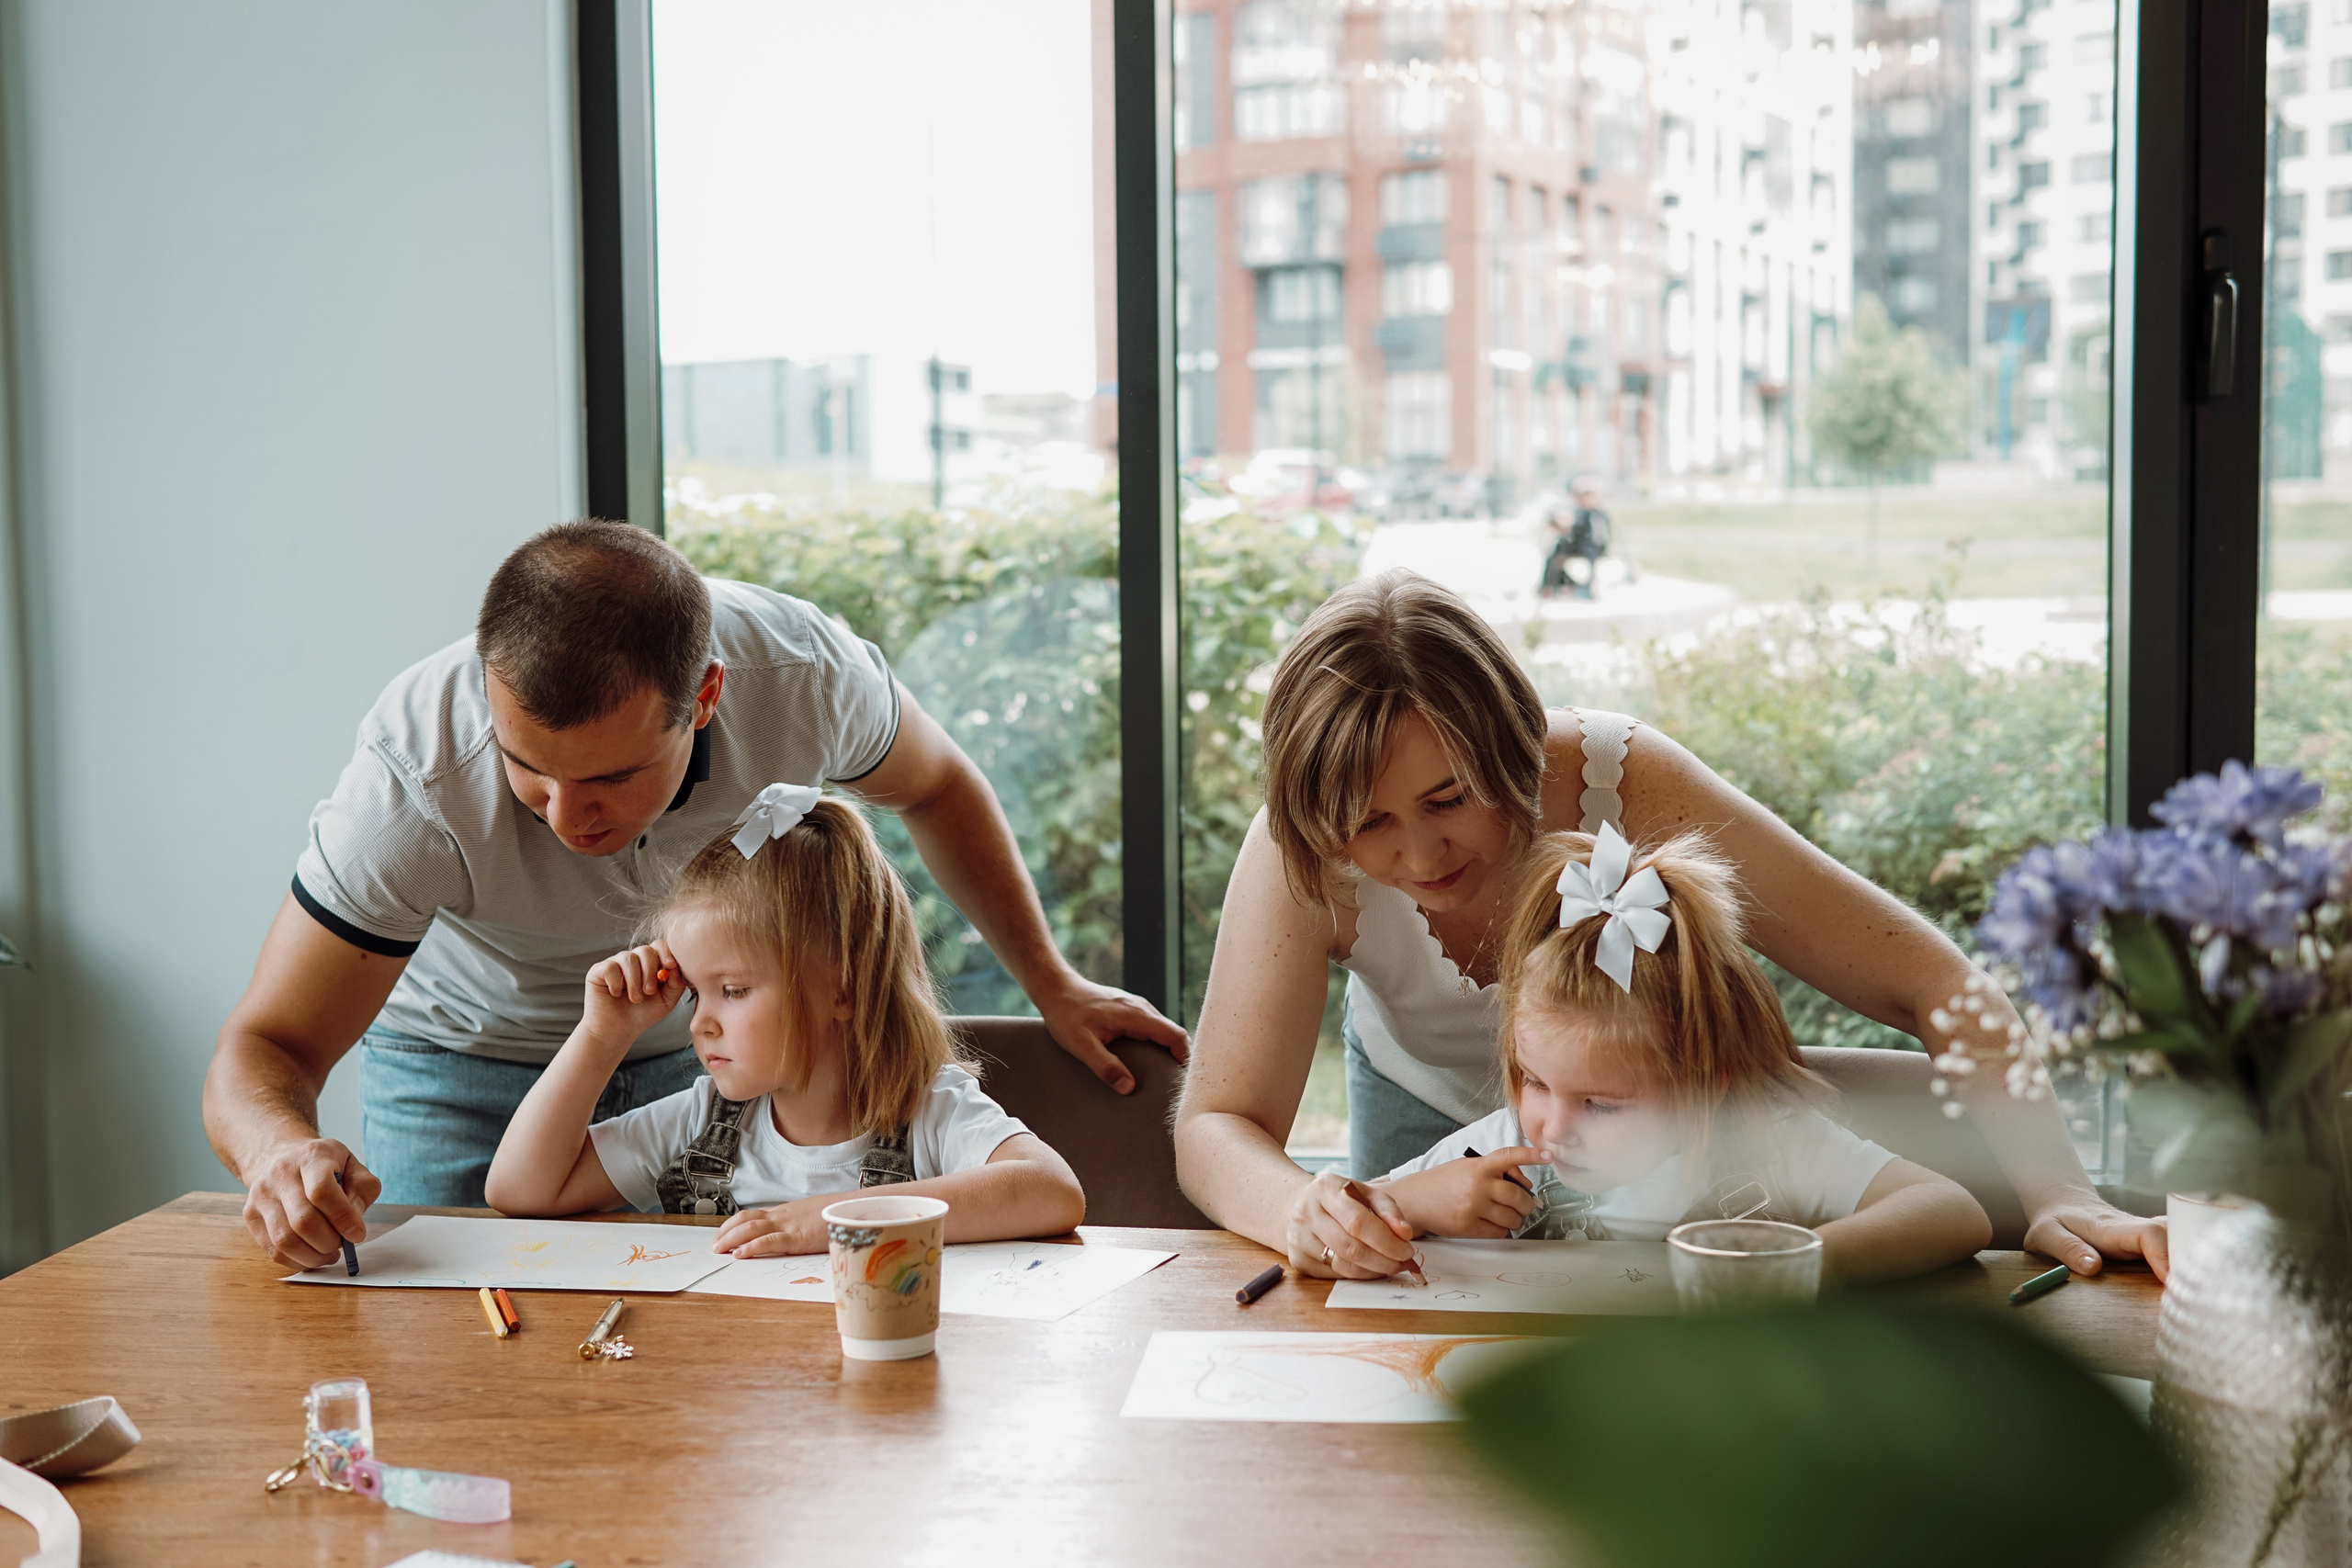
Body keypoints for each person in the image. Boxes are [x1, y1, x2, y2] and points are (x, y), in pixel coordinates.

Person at [207, 521, 1177, 1269]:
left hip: (697, 1053)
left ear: (705, 698)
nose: (563, 817)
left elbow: (934, 786)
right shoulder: (412, 782)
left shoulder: (806, 677)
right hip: (464, 1051)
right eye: (528, 769)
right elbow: (266, 1046)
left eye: (611, 780)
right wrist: (277, 1154)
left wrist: (1050, 981)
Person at [1172, 570, 2168, 1281]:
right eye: (1371, 828)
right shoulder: (1299, 845)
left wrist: (2056, 1193)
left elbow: (1930, 983)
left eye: (1450, 799)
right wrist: (1308, 1212)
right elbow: (1217, 1125)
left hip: (1689, 1156)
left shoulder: (1624, 782)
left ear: (1513, 745)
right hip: (1436, 1144)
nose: (1420, 857)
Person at [1367, 824, 1989, 1283]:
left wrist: (1793, 1265)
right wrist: (1418, 1201)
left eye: (1602, 1105)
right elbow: (1350, 1209)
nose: (1552, 1127)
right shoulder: (1504, 1150)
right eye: (1532, 1080)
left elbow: (1953, 1212)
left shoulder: (1764, 1141)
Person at [486, 794, 1085, 1251]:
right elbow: (520, 1190)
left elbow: (1051, 1190)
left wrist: (826, 1220)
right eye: (696, 993)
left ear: (843, 987)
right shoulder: (699, 1121)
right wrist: (602, 1035)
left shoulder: (930, 1111)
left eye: (734, 990)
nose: (701, 1024)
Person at [1538, 479, 1611, 600]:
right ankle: (1552, 586)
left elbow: (1594, 537)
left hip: (1588, 549)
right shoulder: (1583, 511)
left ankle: (1553, 587)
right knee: (1557, 551)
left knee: (1559, 553)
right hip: (1581, 546)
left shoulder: (1593, 514)